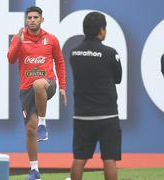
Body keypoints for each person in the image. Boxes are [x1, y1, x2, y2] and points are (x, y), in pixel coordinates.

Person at [7, 6, 67, 180]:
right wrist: (18, 41)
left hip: (47, 85)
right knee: (30, 131)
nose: (32, 20)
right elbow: (11, 59)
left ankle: (43, 123)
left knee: (39, 84)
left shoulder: (51, 39)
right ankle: (34, 170)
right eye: (29, 18)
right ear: (26, 20)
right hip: (26, 90)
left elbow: (60, 62)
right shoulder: (19, 38)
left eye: (35, 17)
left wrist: (62, 86)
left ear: (42, 19)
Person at [69, 12, 122, 180]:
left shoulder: (74, 53)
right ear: (101, 30)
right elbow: (118, 78)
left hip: (82, 115)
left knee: (79, 159)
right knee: (109, 158)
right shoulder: (110, 53)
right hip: (108, 115)